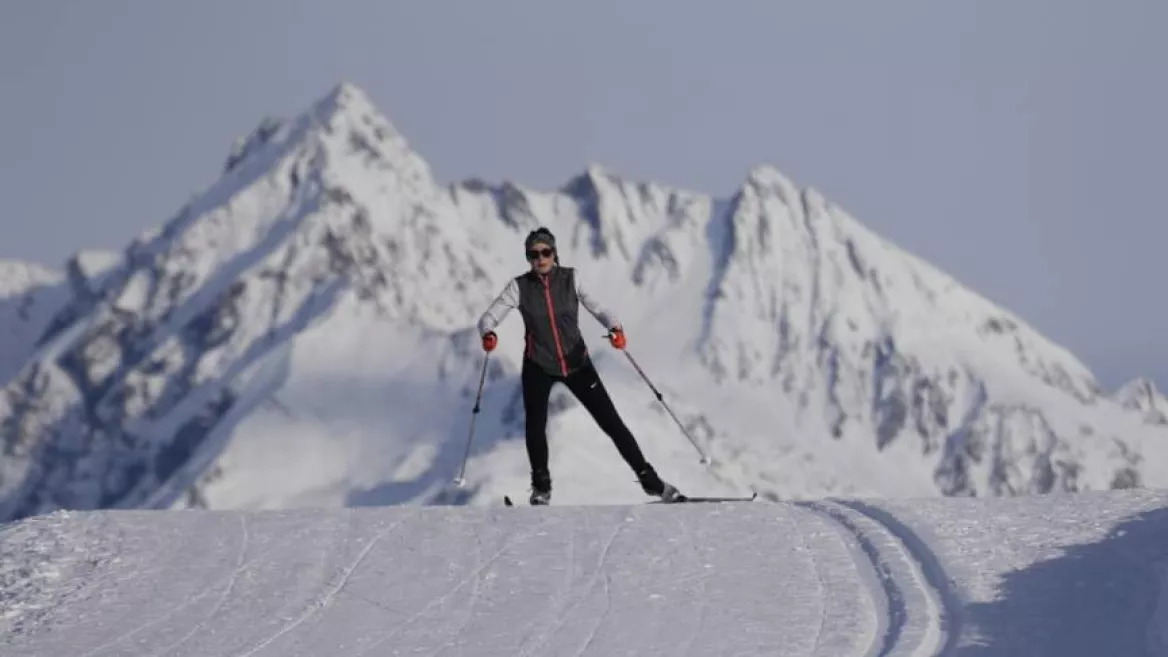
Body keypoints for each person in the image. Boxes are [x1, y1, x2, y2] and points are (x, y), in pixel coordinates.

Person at [477, 226, 683, 505]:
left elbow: (599, 309)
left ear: (554, 253)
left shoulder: (572, 279)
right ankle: (541, 488)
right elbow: (488, 317)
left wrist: (615, 327)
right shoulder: (519, 287)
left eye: (545, 252)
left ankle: (651, 481)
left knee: (612, 424)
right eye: (534, 254)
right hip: (538, 365)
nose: (540, 258)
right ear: (528, 257)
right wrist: (488, 333)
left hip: (577, 363)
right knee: (535, 427)